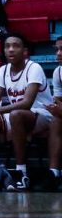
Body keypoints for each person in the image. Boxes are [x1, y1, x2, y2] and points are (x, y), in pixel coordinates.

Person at [0, 32, 53, 191]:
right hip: (17, 117)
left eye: (15, 46)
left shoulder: (34, 68)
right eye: (7, 46)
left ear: (25, 51)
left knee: (16, 115)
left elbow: (27, 103)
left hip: (42, 116)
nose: (11, 50)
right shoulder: (3, 70)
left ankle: (21, 173)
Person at [46, 36, 62, 191]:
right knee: (56, 119)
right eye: (57, 49)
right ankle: (54, 172)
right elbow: (58, 100)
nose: (58, 53)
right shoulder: (58, 71)